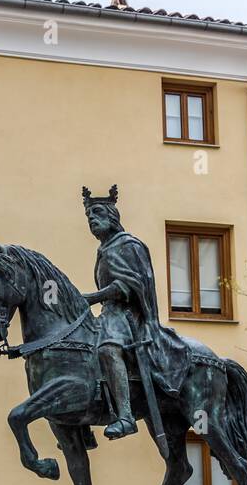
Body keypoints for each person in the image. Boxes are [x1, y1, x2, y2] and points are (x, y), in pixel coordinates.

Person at [79, 185, 191, 441]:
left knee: (107, 349)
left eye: (96, 214)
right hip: (110, 314)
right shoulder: (105, 250)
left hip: (129, 315)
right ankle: (83, 420)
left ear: (112, 216)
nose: (92, 220)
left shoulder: (127, 245)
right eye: (89, 218)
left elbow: (131, 285)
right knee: (80, 347)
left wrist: (92, 297)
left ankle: (126, 417)